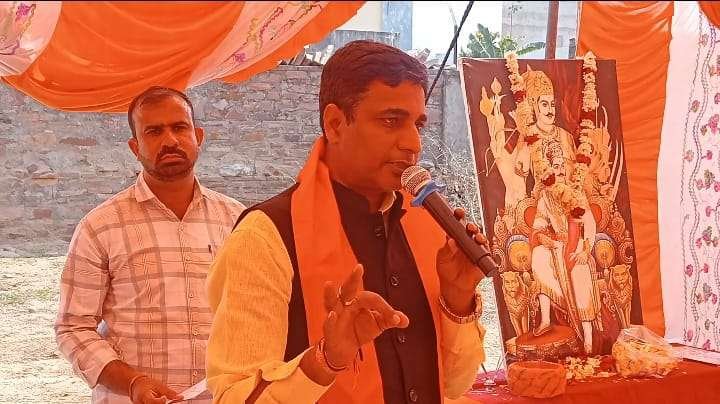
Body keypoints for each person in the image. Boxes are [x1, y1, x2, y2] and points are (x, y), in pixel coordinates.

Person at [206, 40, 487, 404]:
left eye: (418, 124)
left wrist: (457, 299)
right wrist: (325, 362)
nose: (413, 143)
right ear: (335, 124)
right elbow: (233, 396)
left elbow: (453, 385)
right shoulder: (266, 236)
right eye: (391, 121)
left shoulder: (428, 225)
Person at [55, 87, 245, 404]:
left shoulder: (237, 219)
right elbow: (73, 327)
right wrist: (133, 383)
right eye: (154, 131)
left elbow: (255, 315)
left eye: (179, 127)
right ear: (135, 147)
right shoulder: (100, 226)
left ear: (198, 136)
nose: (170, 140)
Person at [529, 140, 599, 353]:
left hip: (577, 247)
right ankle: (546, 319)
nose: (559, 170)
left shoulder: (576, 193)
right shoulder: (545, 197)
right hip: (557, 245)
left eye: (562, 166)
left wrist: (586, 250)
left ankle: (588, 337)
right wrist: (543, 238)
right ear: (549, 170)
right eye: (555, 166)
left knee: (579, 269)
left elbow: (589, 224)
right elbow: (539, 224)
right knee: (539, 254)